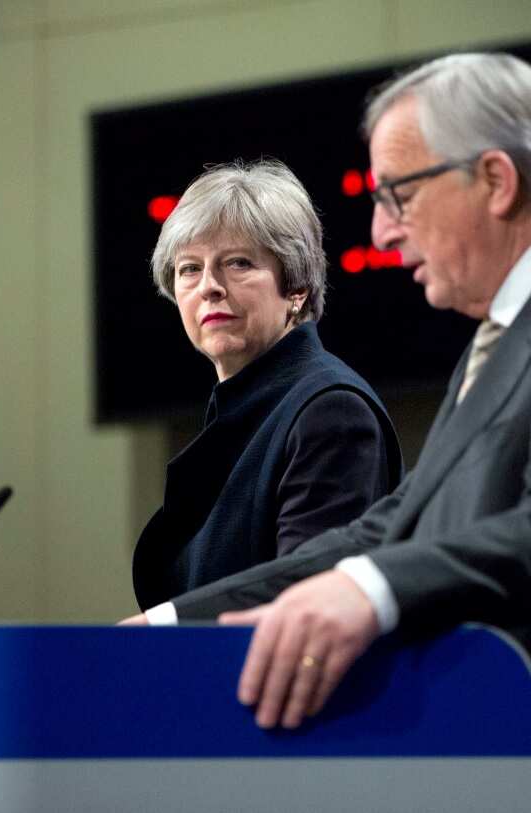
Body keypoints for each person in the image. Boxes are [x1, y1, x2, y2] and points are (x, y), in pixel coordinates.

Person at [133, 55, 531, 810]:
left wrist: (367, 592)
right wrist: (173, 622)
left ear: (495, 181)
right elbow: (391, 526)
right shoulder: (501, 333)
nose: (381, 229)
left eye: (397, 194)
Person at [129, 160, 403, 613]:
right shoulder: (241, 415)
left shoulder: (331, 411)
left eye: (238, 263)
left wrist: (164, 625)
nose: (209, 287)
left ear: (295, 285)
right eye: (189, 269)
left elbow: (305, 599)